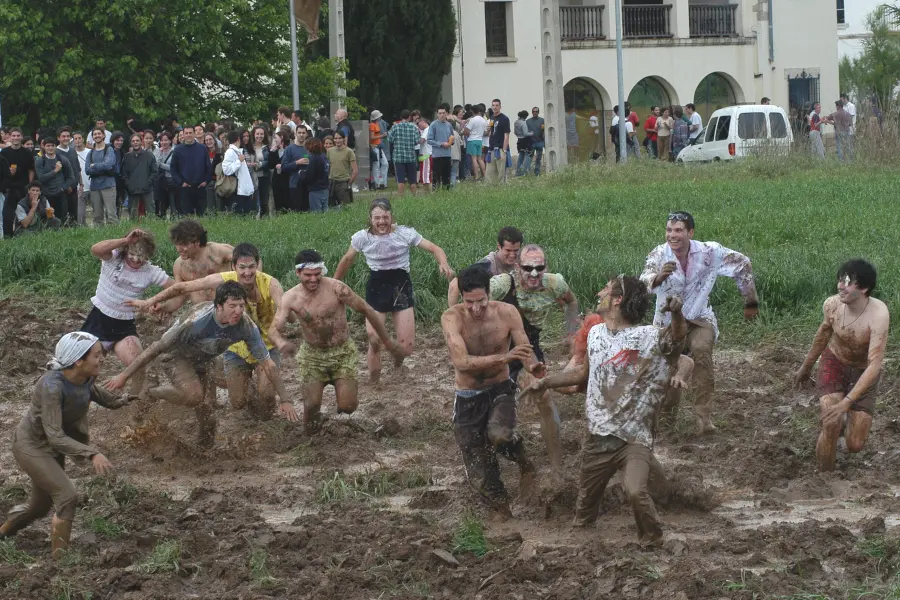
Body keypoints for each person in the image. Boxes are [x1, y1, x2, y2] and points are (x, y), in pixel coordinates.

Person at [522, 278, 689, 545]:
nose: (600, 291)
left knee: (635, 491)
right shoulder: (596, 333)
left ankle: (654, 541)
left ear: (617, 299)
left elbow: (678, 337)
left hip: (634, 439)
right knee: (584, 512)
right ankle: (581, 544)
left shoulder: (649, 336)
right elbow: (583, 373)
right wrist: (546, 382)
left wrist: (677, 313)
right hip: (597, 439)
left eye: (606, 289)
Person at [105, 282, 299, 447]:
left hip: (203, 360)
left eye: (241, 305)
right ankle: (152, 393)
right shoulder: (196, 321)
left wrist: (285, 398)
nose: (238, 311)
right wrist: (124, 375)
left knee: (208, 418)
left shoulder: (246, 326)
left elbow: (268, 364)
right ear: (219, 306)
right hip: (175, 356)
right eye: (232, 306)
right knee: (194, 395)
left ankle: (203, 453)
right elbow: (156, 348)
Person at [0, 333, 133, 557]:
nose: (102, 359)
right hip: (32, 446)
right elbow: (54, 436)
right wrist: (92, 454)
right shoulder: (52, 386)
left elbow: (105, 398)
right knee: (67, 495)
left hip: (53, 449)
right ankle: (61, 562)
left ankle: (3, 535)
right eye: (97, 355)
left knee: (38, 508)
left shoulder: (85, 379)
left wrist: (130, 398)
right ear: (78, 360)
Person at [130, 243, 287, 420]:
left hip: (265, 345)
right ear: (234, 267)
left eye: (251, 267)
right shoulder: (224, 279)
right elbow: (183, 288)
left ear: (258, 265)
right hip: (236, 349)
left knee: (266, 393)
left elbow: (284, 309)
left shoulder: (270, 284)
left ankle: (268, 419)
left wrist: (281, 329)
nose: (247, 273)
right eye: (242, 268)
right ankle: (247, 396)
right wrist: (150, 301)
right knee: (238, 402)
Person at [640, 211, 759, 434]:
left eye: (678, 230)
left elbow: (742, 263)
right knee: (669, 366)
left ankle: (703, 418)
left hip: (699, 316)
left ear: (690, 232)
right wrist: (659, 277)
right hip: (667, 320)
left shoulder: (709, 252)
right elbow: (643, 281)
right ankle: (667, 420)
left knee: (701, 350)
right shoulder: (659, 253)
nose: (672, 235)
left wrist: (751, 301)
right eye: (668, 230)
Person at [442, 266, 542, 516]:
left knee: (499, 435)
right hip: (468, 396)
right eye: (469, 303)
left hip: (499, 388)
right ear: (462, 298)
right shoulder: (451, 318)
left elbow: (523, 347)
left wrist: (533, 367)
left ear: (489, 294)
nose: (476, 309)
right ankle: (502, 512)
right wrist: (505, 357)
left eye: (481, 302)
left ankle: (524, 462)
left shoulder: (507, 313)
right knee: (480, 474)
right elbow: (462, 363)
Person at [269, 250, 406, 428]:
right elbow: (273, 329)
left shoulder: (337, 288)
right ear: (298, 273)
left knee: (348, 406)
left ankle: (338, 416)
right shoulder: (290, 298)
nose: (313, 279)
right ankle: (312, 437)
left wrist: (387, 341)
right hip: (312, 356)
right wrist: (281, 343)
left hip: (342, 353)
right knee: (311, 406)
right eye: (308, 275)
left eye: (317, 274)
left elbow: (367, 310)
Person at [335, 198, 454, 384]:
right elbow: (347, 260)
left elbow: (435, 248)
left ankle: (398, 363)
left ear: (391, 217)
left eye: (385, 217)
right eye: (377, 218)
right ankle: (374, 382)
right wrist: (334, 283)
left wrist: (443, 263)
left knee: (406, 348)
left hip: (401, 287)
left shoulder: (404, 233)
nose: (381, 222)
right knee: (374, 339)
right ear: (370, 218)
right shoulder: (362, 237)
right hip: (377, 287)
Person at [488, 244, 578, 480]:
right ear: (517, 267)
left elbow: (571, 301)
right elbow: (466, 294)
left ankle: (557, 469)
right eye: (528, 268)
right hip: (498, 346)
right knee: (493, 409)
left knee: (544, 398)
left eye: (540, 268)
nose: (534, 274)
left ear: (546, 267)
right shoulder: (501, 284)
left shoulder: (554, 283)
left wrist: (570, 333)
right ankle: (502, 460)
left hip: (528, 345)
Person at [794, 260, 889, 472]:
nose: (840, 286)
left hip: (864, 371)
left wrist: (846, 403)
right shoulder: (832, 305)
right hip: (834, 362)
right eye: (840, 280)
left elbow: (874, 365)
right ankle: (824, 477)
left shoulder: (879, 315)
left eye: (847, 282)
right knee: (830, 422)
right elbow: (822, 335)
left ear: (864, 288)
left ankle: (845, 422)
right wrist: (806, 367)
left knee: (855, 444)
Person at [79, 229, 174, 404]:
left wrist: (159, 304)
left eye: (142, 256)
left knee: (138, 367)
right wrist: (124, 240)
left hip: (124, 327)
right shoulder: (113, 258)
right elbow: (96, 249)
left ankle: (133, 408)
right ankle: (78, 402)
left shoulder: (150, 271)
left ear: (148, 256)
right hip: (98, 322)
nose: (136, 259)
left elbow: (175, 288)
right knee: (81, 371)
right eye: (132, 253)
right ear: (126, 249)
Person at [447, 226, 523, 305]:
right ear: (499, 246)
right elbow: (454, 284)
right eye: (508, 250)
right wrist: (454, 314)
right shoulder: (488, 264)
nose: (512, 255)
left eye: (516, 250)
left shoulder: (524, 259)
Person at [167, 220, 234, 306]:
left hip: (228, 307)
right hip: (200, 312)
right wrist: (162, 307)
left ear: (197, 242)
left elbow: (249, 263)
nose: (179, 249)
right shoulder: (179, 264)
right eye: (177, 244)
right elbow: (178, 295)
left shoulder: (217, 251)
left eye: (184, 244)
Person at [170, 125, 212, 216]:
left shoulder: (202, 148)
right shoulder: (178, 150)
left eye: (190, 133)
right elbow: (173, 169)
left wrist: (206, 181)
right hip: (185, 188)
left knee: (202, 216)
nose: (188, 135)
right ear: (183, 135)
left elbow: (208, 166)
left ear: (194, 134)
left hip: (200, 187)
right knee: (186, 217)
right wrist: (181, 183)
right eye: (186, 133)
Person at [2, 128, 36, 237]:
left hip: (24, 186)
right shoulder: (4, 152)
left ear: (21, 137)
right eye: (13, 136)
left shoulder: (27, 152)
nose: (16, 138)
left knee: (24, 212)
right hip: (9, 187)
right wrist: (9, 172)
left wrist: (30, 185)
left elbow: (31, 170)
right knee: (7, 214)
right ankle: (8, 236)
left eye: (18, 136)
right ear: (9, 137)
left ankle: (23, 234)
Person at [34, 137, 77, 224]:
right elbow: (41, 178)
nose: (50, 148)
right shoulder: (40, 161)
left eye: (52, 146)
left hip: (60, 194)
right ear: (44, 147)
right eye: (48, 146)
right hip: (46, 194)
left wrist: (63, 187)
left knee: (62, 218)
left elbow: (71, 177)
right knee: (47, 219)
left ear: (56, 147)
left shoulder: (62, 159)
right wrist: (55, 170)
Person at [121, 133, 158, 219]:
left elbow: (154, 172)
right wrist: (129, 185)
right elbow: (124, 174)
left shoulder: (149, 155)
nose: (135, 142)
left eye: (137, 140)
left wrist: (147, 183)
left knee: (150, 214)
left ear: (141, 142)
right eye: (133, 141)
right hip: (133, 190)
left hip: (147, 189)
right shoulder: (127, 157)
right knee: (133, 215)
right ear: (131, 143)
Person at [222, 131, 255, 215]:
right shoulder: (230, 152)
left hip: (243, 189)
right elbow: (226, 170)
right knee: (240, 214)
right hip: (237, 189)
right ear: (238, 139)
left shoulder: (236, 151)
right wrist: (238, 161)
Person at [388, 110, 419, 196]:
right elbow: (417, 141)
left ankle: (401, 198)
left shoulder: (395, 127)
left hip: (398, 157)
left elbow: (390, 139)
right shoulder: (414, 128)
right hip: (411, 157)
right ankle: (414, 197)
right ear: (409, 117)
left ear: (401, 117)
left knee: (400, 180)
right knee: (412, 180)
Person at [55, 128, 81, 226]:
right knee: (63, 214)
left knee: (74, 214)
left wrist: (80, 183)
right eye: (63, 136)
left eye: (68, 136)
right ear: (59, 138)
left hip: (74, 187)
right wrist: (67, 185)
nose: (66, 138)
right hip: (63, 189)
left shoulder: (73, 151)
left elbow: (77, 169)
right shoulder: (56, 152)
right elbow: (59, 173)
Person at [281, 126, 311, 212]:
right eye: (299, 133)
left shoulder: (310, 148)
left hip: (309, 185)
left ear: (306, 134)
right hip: (294, 185)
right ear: (295, 134)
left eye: (303, 133)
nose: (301, 135)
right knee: (296, 212)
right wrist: (297, 163)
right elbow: (283, 167)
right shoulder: (289, 149)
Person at [427, 103, 454, 190]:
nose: (441, 115)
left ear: (447, 114)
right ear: (437, 114)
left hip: (447, 154)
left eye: (443, 113)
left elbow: (451, 137)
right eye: (440, 113)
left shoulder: (449, 125)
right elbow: (429, 140)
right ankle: (435, 193)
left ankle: (446, 193)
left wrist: (451, 142)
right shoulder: (433, 125)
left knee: (447, 177)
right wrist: (441, 144)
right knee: (436, 177)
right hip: (437, 155)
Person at [327, 130, 357, 207]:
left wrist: (349, 184)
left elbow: (355, 170)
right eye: (335, 138)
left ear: (344, 139)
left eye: (340, 138)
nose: (337, 140)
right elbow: (328, 166)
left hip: (343, 182)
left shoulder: (349, 151)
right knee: (331, 207)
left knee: (346, 207)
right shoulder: (330, 151)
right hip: (331, 182)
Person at [248, 125, 271, 217]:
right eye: (257, 134)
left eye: (261, 134)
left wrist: (260, 165)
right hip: (252, 177)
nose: (259, 136)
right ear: (253, 135)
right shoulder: (249, 147)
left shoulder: (267, 148)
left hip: (264, 177)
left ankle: (264, 219)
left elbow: (269, 162)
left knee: (264, 201)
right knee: (254, 201)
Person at [153, 132, 177, 218]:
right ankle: (161, 219)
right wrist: (159, 153)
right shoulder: (157, 151)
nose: (164, 142)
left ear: (170, 141)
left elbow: (173, 168)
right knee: (161, 203)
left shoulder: (175, 151)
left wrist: (161, 165)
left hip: (171, 181)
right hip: (160, 181)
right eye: (162, 140)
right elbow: (155, 165)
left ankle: (174, 219)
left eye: (166, 140)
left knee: (173, 203)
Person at [303, 137, 330, 213]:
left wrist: (301, 174)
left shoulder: (314, 159)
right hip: (325, 188)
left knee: (316, 213)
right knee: (325, 212)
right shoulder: (323, 156)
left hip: (315, 189)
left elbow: (309, 176)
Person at [487, 99, 511, 184]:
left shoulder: (504, 119)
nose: (495, 107)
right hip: (491, 148)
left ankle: (502, 190)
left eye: (497, 105)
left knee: (501, 173)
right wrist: (488, 130)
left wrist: (504, 150)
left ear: (500, 107)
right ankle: (491, 190)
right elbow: (490, 133)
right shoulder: (492, 118)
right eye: (493, 105)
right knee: (489, 173)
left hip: (500, 149)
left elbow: (506, 135)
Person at [463, 105, 487, 181]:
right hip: (480, 140)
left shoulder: (472, 120)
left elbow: (466, 131)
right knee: (480, 159)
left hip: (472, 140)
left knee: (474, 159)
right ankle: (484, 175)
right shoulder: (483, 120)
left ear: (472, 111)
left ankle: (476, 176)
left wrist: (465, 128)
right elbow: (485, 131)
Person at [369, 110, 388, 190]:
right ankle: (377, 183)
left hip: (378, 146)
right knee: (376, 165)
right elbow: (371, 137)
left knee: (384, 163)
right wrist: (381, 136)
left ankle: (383, 181)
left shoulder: (376, 124)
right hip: (374, 146)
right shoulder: (372, 125)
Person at [514, 110, 534, 176]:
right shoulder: (523, 123)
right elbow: (525, 134)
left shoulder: (516, 122)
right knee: (527, 156)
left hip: (519, 140)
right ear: (525, 116)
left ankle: (518, 172)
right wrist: (531, 133)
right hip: (525, 140)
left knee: (521, 156)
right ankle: (526, 172)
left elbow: (515, 132)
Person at [525, 107, 544, 175]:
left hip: (540, 142)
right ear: (532, 112)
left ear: (538, 112)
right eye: (533, 111)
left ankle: (537, 172)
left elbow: (544, 131)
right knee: (529, 158)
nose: (535, 112)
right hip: (531, 143)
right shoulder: (528, 121)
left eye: (536, 111)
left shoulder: (542, 120)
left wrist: (544, 142)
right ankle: (527, 172)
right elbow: (525, 132)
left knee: (538, 159)